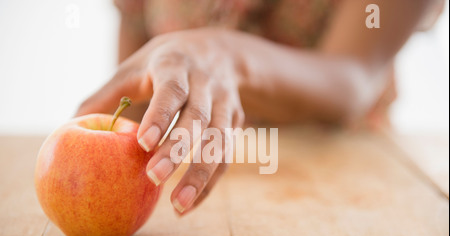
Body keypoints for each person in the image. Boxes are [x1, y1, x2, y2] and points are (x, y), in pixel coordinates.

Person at [76, 0, 444, 214]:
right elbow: (141, 90)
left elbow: (356, 74)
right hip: (190, 184)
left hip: (344, 192)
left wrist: (227, 54)